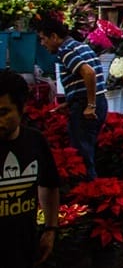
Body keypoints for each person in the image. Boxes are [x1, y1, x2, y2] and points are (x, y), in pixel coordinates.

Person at [33, 13, 108, 180]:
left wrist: (89, 105)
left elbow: (88, 73)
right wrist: (70, 102)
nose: (42, 44)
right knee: (87, 150)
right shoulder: (80, 46)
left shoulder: (66, 51)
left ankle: (87, 193)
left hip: (87, 107)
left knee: (82, 155)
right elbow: (84, 78)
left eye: (44, 39)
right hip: (96, 102)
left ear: (54, 36)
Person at [0, 71, 60, 267]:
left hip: (24, 251)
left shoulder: (35, 141)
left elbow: (49, 184)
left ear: (22, 108)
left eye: (3, 113)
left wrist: (50, 229)